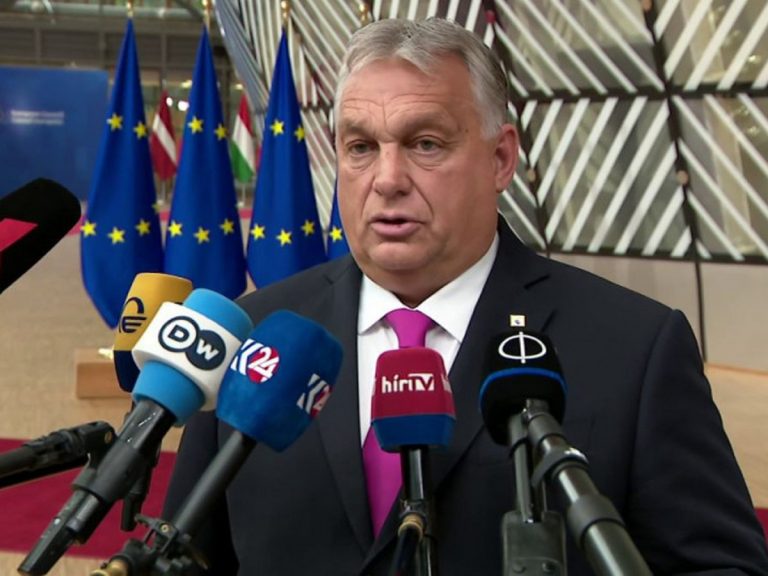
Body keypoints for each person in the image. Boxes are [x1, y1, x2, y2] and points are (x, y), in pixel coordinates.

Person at [164, 17, 768, 575]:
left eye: (425, 144)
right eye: (361, 147)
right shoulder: (254, 334)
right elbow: (185, 558)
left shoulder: (635, 348)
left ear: (501, 158)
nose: (388, 179)